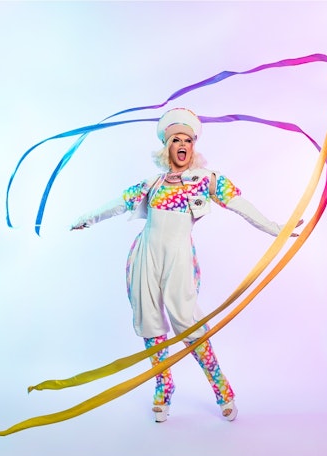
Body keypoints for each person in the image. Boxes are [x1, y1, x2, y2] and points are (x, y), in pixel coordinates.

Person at [71, 108, 299, 423]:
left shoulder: (204, 181)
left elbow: (239, 204)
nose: (182, 144)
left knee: (190, 326)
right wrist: (88, 218)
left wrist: (276, 227)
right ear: (167, 146)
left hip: (178, 259)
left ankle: (221, 389)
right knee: (150, 325)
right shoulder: (152, 183)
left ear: (193, 146)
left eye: (187, 140)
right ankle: (163, 385)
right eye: (175, 139)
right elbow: (120, 202)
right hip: (145, 257)